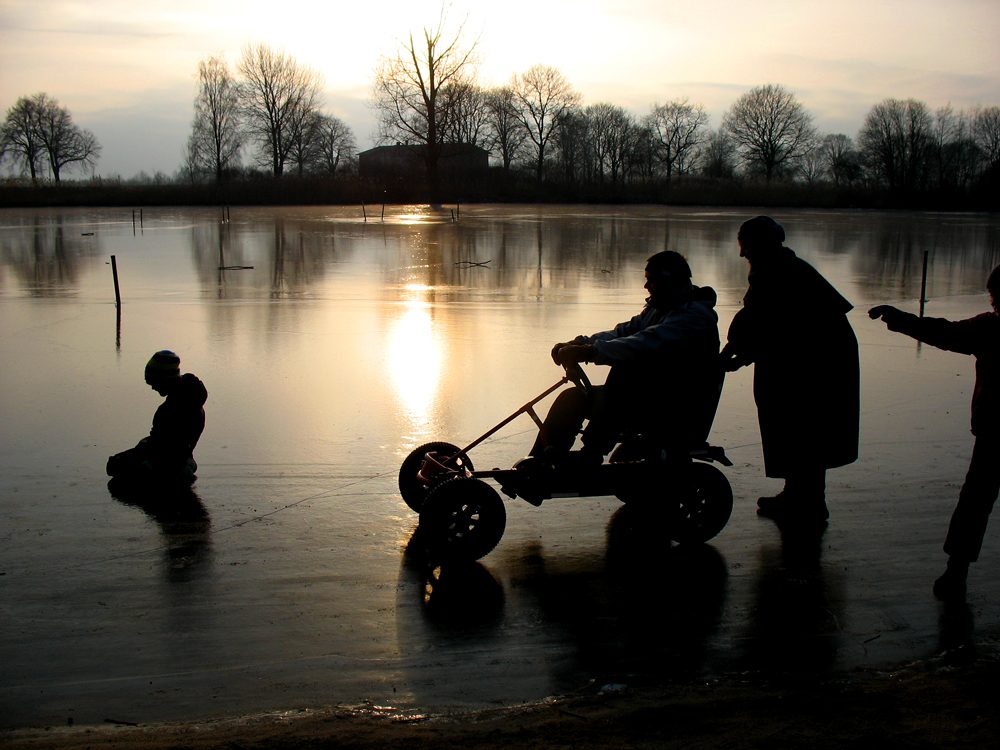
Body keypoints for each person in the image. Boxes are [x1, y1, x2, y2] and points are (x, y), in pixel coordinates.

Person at [870, 266, 1000, 601]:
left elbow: (947, 334)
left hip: (995, 433)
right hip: (993, 432)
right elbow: (947, 333)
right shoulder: (990, 327)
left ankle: (957, 570)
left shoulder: (992, 328)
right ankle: (956, 570)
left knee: (975, 502)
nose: (994, 302)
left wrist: (899, 319)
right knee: (974, 502)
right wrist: (900, 319)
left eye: (996, 297)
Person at [721, 216, 859, 526]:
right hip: (800, 356)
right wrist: (736, 349)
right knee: (791, 423)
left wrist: (740, 354)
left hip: (818, 362)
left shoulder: (784, 274)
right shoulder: (774, 268)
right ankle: (797, 494)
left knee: (804, 425)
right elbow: (756, 318)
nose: (742, 254)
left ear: (763, 245)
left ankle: (809, 502)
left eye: (746, 247)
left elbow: (776, 324)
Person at [530, 250, 721, 467]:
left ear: (669, 280)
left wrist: (590, 352)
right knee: (572, 398)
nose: (646, 286)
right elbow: (624, 333)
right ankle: (539, 463)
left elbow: (644, 343)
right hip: (651, 396)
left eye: (651, 280)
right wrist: (581, 343)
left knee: (627, 369)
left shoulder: (693, 316)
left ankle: (591, 453)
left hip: (678, 404)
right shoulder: (659, 307)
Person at [107, 350, 208, 482]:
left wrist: (149, 462)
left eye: (154, 382)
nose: (153, 388)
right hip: (178, 457)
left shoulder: (173, 409)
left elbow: (170, 446)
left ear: (165, 379)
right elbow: (161, 440)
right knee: (120, 462)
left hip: (171, 464)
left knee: (116, 468)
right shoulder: (190, 399)